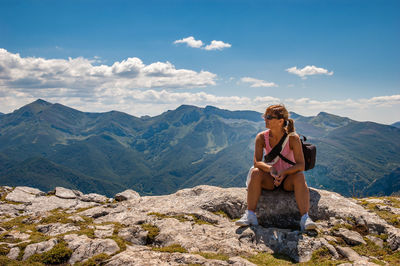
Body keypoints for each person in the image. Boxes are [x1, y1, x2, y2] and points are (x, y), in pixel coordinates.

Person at [235, 104, 316, 231]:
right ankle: (250, 215)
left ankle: (305, 218)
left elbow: (301, 165)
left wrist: (284, 172)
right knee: (256, 172)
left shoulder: (293, 138)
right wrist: (270, 170)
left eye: (268, 117)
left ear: (280, 121)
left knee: (300, 176)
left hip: (288, 178)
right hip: (270, 177)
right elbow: (257, 162)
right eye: (264, 116)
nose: (265, 119)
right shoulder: (261, 137)